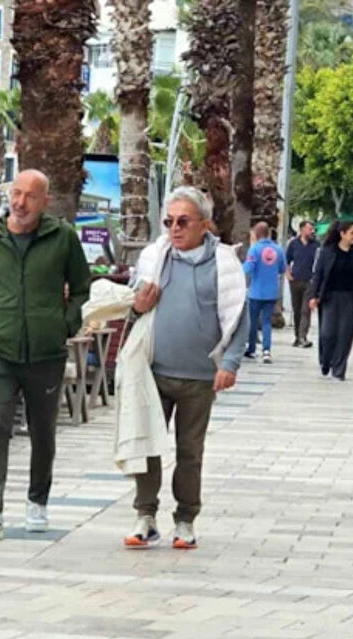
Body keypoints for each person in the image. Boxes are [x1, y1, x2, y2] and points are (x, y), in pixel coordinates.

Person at [0, 170, 92, 541]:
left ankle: (38, 501)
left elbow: (82, 288)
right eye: (16, 193)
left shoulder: (62, 238)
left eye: (30, 196)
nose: (20, 203)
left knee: (42, 430)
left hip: (46, 352)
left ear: (44, 201)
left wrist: (64, 324)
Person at [125, 187, 249, 549]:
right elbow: (131, 306)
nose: (175, 229)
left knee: (190, 452)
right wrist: (137, 306)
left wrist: (230, 364)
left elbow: (238, 317)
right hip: (154, 371)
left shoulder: (224, 264)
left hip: (199, 377)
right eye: (169, 222)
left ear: (204, 224)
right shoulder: (155, 257)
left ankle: (185, 520)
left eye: (183, 221)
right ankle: (145, 516)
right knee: (147, 446)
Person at [308, 221, 353, 381]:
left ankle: (339, 370)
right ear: (342, 234)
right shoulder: (327, 251)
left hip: (350, 299)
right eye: (352, 233)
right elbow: (318, 274)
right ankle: (326, 360)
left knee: (345, 335)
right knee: (327, 333)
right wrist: (313, 296)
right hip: (329, 297)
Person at [243, 221, 286, 364]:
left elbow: (248, 268)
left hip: (256, 291)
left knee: (253, 321)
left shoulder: (254, 249)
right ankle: (266, 351)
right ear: (268, 233)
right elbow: (282, 268)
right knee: (267, 322)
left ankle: (251, 349)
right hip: (272, 292)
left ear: (256, 233)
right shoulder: (278, 249)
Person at [285, 221, 320, 348]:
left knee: (306, 310)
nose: (312, 231)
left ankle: (302, 337)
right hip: (295, 280)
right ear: (302, 229)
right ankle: (297, 337)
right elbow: (286, 260)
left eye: (312, 229)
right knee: (297, 309)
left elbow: (319, 262)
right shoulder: (293, 244)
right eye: (309, 228)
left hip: (309, 281)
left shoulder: (316, 245)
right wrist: (288, 274)